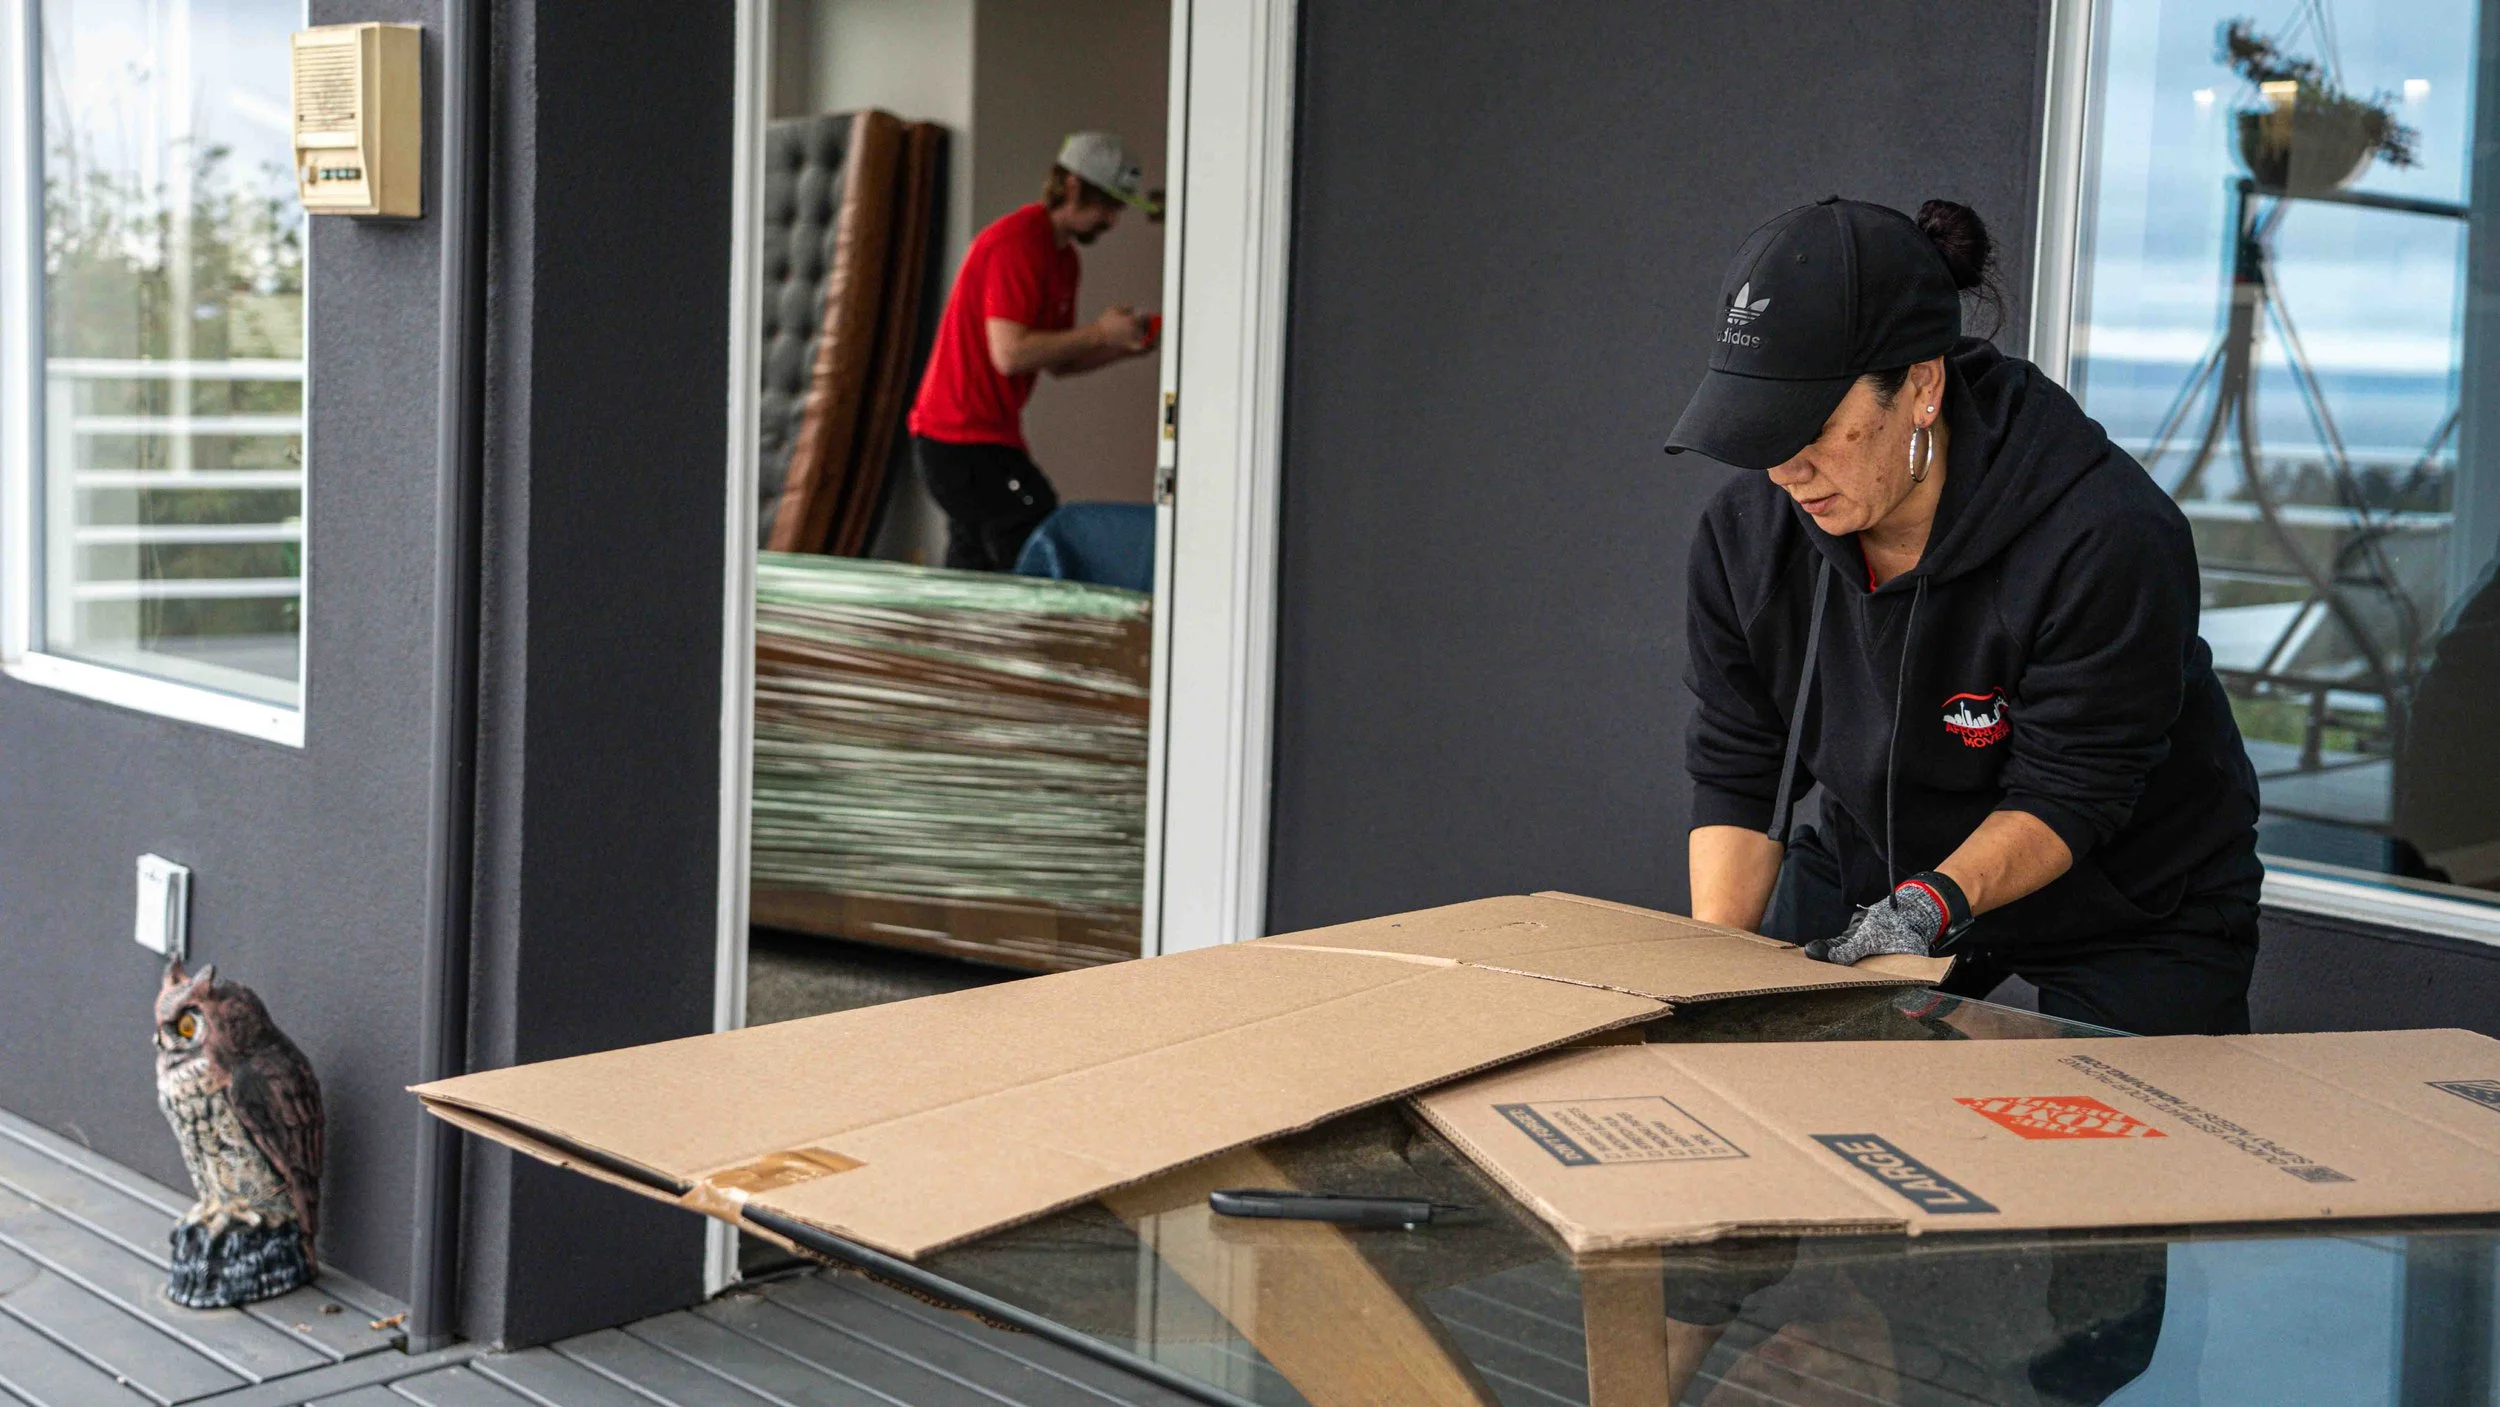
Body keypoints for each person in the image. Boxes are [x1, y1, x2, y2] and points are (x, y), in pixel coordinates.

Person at [1668, 196, 2265, 1040]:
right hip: (1879, 864)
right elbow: (1742, 764)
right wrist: (1708, 979)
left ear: (1921, 386)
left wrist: (1931, 904)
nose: (1785, 470)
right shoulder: (1749, 538)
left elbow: (2073, 790)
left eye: (1812, 429)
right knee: (1766, 1065)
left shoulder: (2105, 535)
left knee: (2123, 1154)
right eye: (1759, 432)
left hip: (2128, 890)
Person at [907, 132, 1160, 571]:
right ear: (1074, 187)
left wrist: (1124, 344)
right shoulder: (1018, 243)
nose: (1113, 220)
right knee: (1034, 536)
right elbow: (1010, 353)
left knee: (977, 566)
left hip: (981, 438)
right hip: (959, 438)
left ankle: (965, 638)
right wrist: (1101, 332)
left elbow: (1057, 361)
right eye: (1108, 205)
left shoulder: (1063, 260)